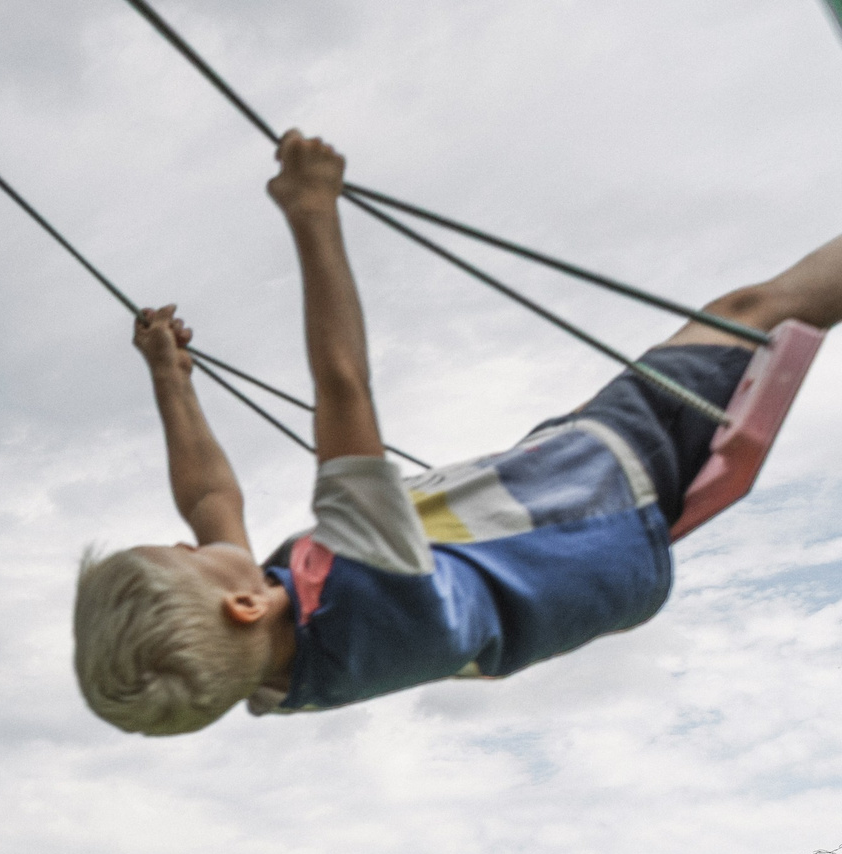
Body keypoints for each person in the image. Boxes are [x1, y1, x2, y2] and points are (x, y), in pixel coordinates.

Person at [74, 130, 842, 735]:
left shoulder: (274, 660)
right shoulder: (365, 593)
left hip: (577, 498)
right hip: (606, 496)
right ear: (241, 606)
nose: (189, 545)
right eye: (180, 559)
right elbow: (344, 388)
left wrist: (168, 378)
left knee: (752, 311)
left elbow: (210, 498)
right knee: (751, 311)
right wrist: (313, 210)